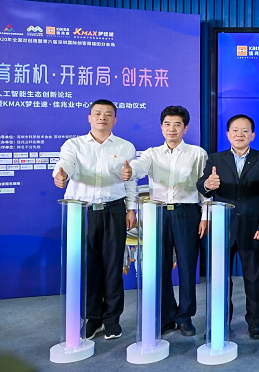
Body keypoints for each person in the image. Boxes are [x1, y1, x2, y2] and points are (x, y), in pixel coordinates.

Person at [53, 99, 137, 340]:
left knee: (113, 266)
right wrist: (61, 175)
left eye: (108, 114)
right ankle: (92, 318)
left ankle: (112, 320)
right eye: (97, 113)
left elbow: (130, 181)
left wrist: (131, 209)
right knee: (89, 267)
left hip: (114, 210)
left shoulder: (125, 147)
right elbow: (65, 165)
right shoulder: (74, 145)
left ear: (115, 119)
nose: (102, 117)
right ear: (89, 118)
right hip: (83, 211)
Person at [121, 106, 207, 336]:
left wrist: (205, 216)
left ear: (185, 128)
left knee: (187, 267)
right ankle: (166, 315)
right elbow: (138, 168)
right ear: (161, 127)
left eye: (177, 124)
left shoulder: (197, 153)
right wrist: (129, 171)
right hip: (158, 213)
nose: (172, 129)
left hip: (187, 213)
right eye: (167, 124)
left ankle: (185, 317)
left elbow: (204, 188)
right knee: (160, 267)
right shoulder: (152, 154)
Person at [197, 114, 259, 340]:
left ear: (252, 135)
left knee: (254, 280)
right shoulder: (216, 159)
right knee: (221, 280)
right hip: (223, 228)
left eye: (244, 130)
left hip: (253, 228)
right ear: (227, 134)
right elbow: (202, 186)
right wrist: (207, 184)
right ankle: (220, 322)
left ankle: (255, 323)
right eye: (235, 130)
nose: (239, 134)